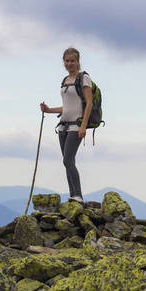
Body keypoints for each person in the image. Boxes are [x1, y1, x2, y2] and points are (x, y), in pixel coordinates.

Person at [40, 47, 93, 203]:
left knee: (68, 160)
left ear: (78, 62)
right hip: (63, 126)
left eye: (72, 61)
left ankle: (78, 195)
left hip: (76, 126)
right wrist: (49, 110)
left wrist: (83, 126)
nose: (69, 64)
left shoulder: (84, 78)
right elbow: (67, 107)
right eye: (67, 61)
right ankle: (73, 195)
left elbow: (89, 103)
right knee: (67, 161)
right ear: (64, 62)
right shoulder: (65, 80)